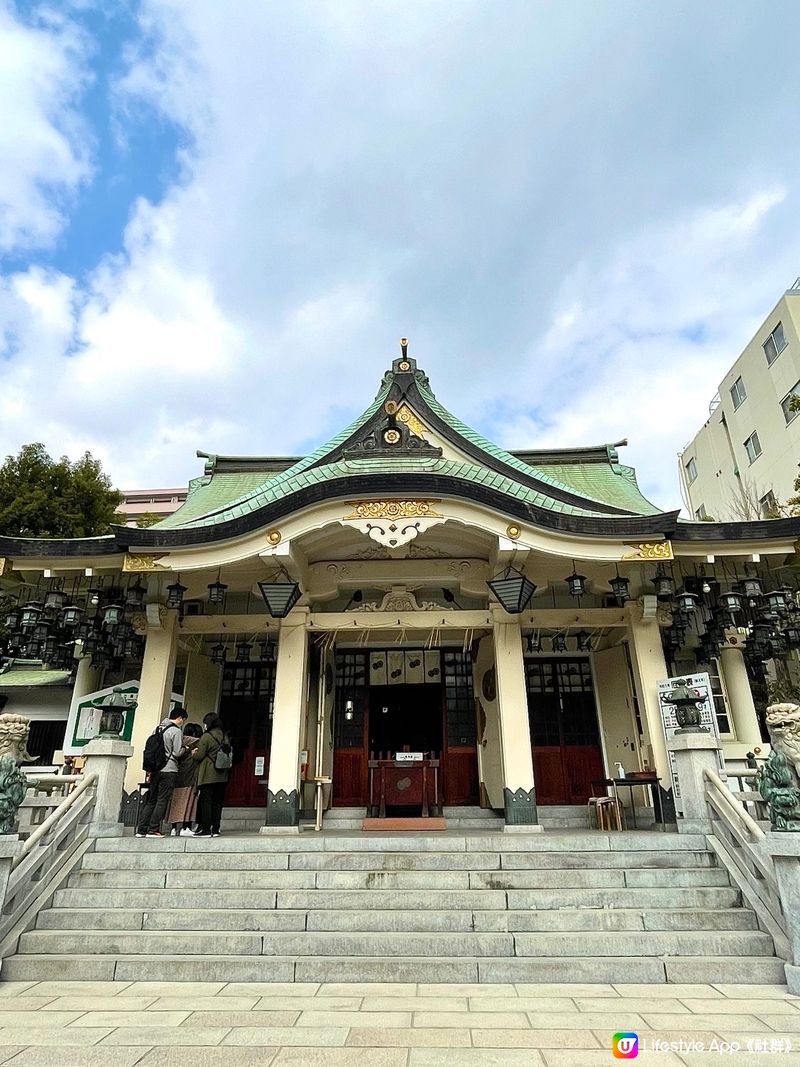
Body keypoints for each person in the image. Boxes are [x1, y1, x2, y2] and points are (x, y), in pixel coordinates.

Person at [135, 708, 189, 838]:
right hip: (169, 769)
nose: (182, 723)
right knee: (162, 800)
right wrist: (186, 749)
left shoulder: (158, 729)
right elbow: (177, 752)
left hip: (156, 769)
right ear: (180, 718)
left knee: (151, 800)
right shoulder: (175, 731)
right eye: (183, 720)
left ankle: (141, 829)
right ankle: (153, 829)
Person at [192, 712, 230, 837]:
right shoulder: (224, 736)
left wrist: (194, 754)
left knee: (206, 801)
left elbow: (200, 755)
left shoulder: (207, 737)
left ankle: (206, 828)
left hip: (208, 774)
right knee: (217, 802)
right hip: (222, 774)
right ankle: (216, 828)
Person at [167, 722, 203, 836]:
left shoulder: (179, 740)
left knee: (175, 802)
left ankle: (174, 828)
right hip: (190, 778)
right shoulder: (197, 743)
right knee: (189, 802)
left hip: (176, 776)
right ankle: (185, 827)